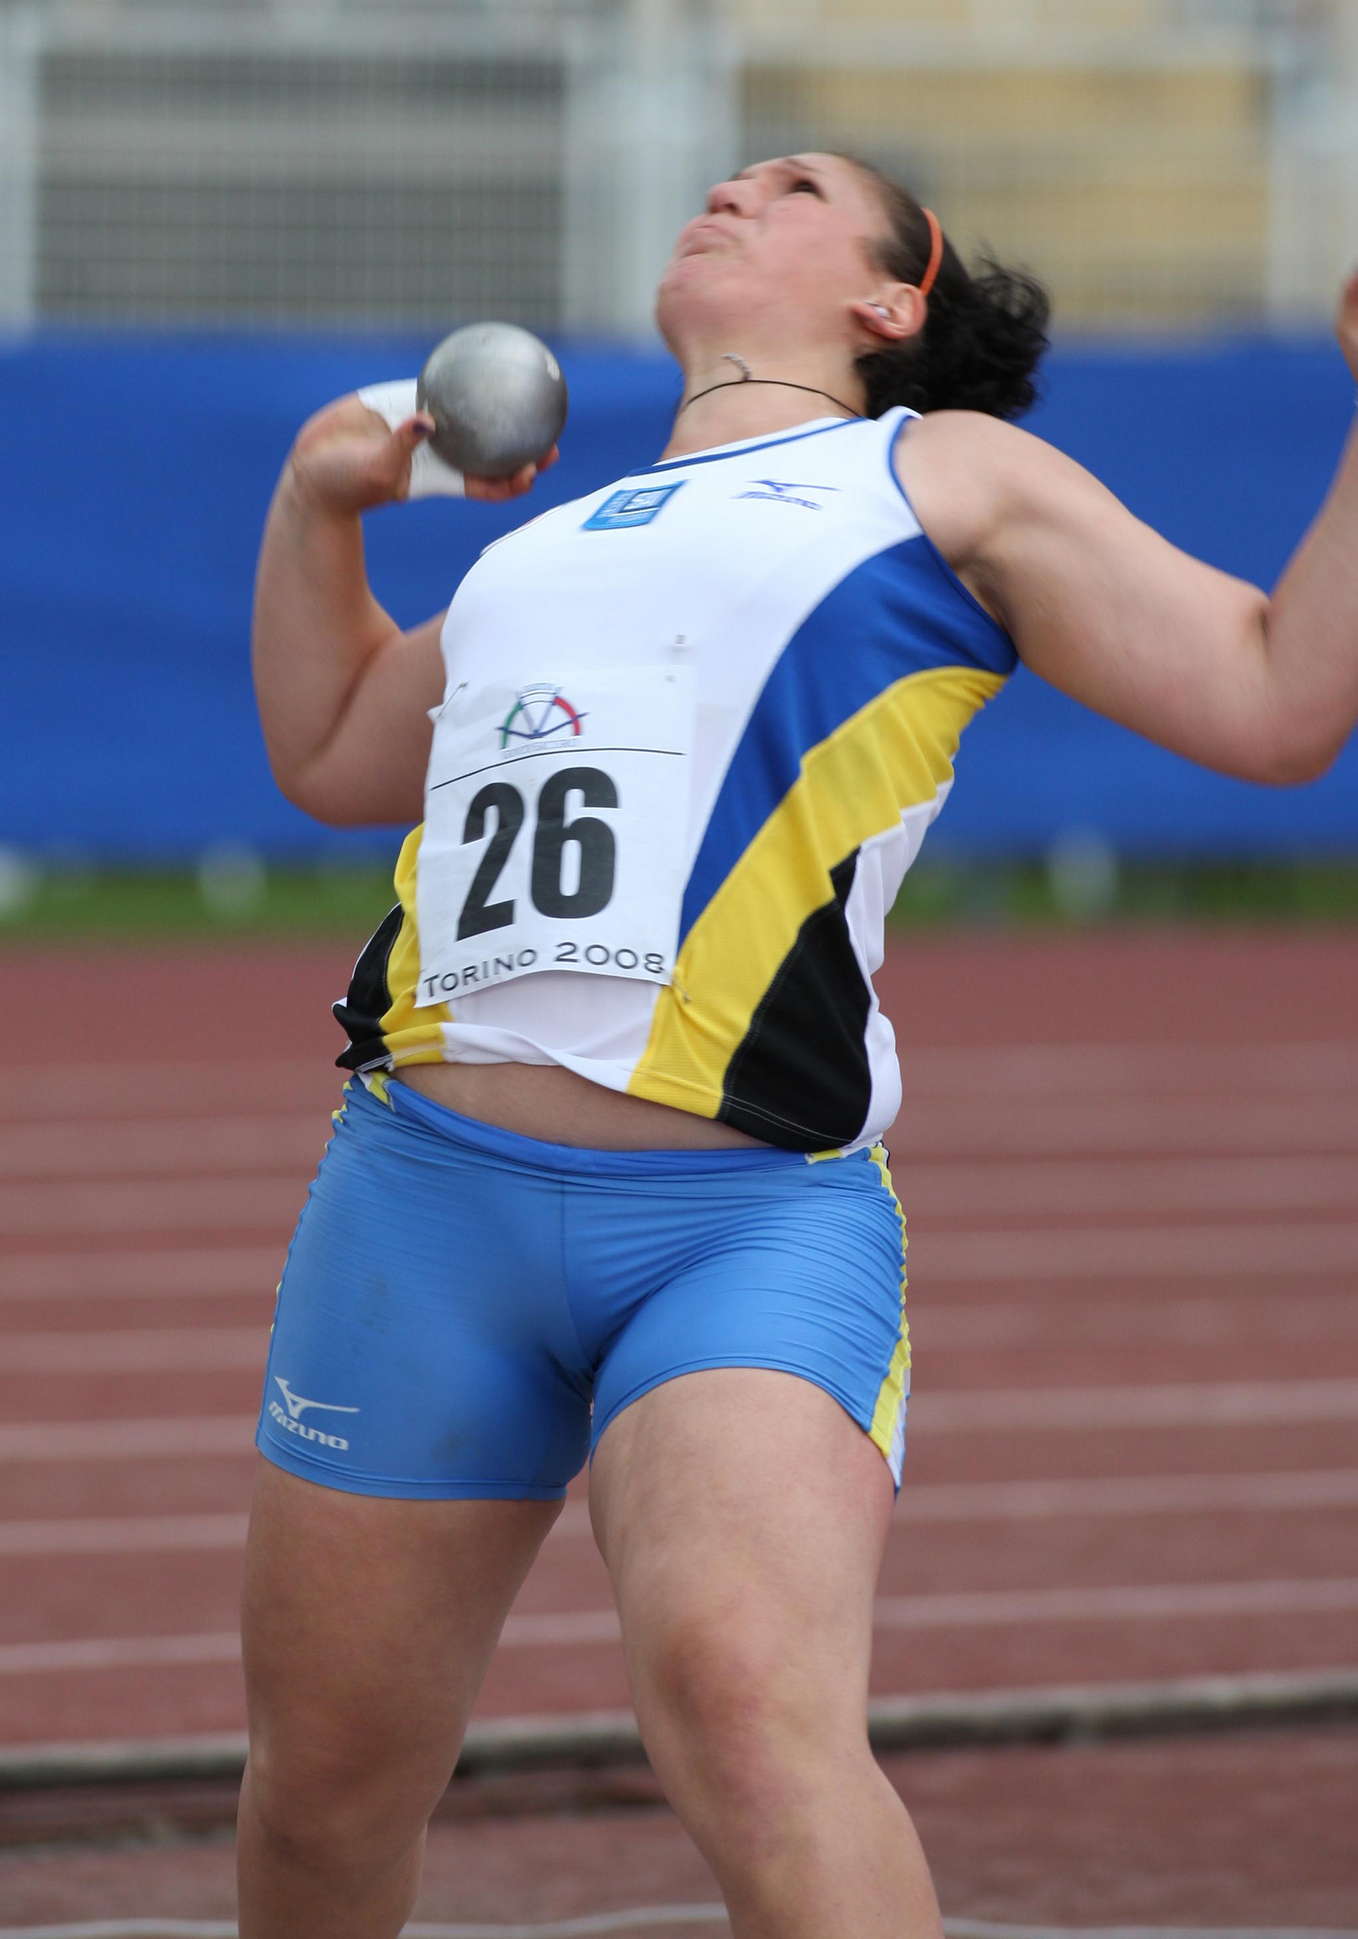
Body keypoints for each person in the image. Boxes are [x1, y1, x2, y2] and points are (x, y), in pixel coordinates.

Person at [239, 151, 1358, 1939]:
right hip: (420, 1210)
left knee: (752, 1724)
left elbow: (1276, 696)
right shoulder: (552, 543)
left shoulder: (940, 475)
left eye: (796, 185)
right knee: (323, 1793)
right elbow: (332, 744)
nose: (734, 184)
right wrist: (316, 505)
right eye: (732, 174)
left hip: (739, 1226)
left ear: (887, 300)